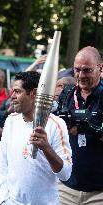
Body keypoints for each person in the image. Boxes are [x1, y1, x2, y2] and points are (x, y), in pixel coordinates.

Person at [0, 71, 72, 205]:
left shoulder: (56, 125)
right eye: (12, 91)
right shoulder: (10, 121)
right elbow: (2, 164)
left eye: (17, 92)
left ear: (34, 93)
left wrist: (46, 147)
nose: (12, 97)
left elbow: (65, 174)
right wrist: (2, 200)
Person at [58, 46, 103, 204]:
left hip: (99, 192)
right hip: (67, 187)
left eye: (87, 70)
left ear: (100, 68)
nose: (81, 75)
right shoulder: (67, 94)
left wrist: (87, 126)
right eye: (77, 70)